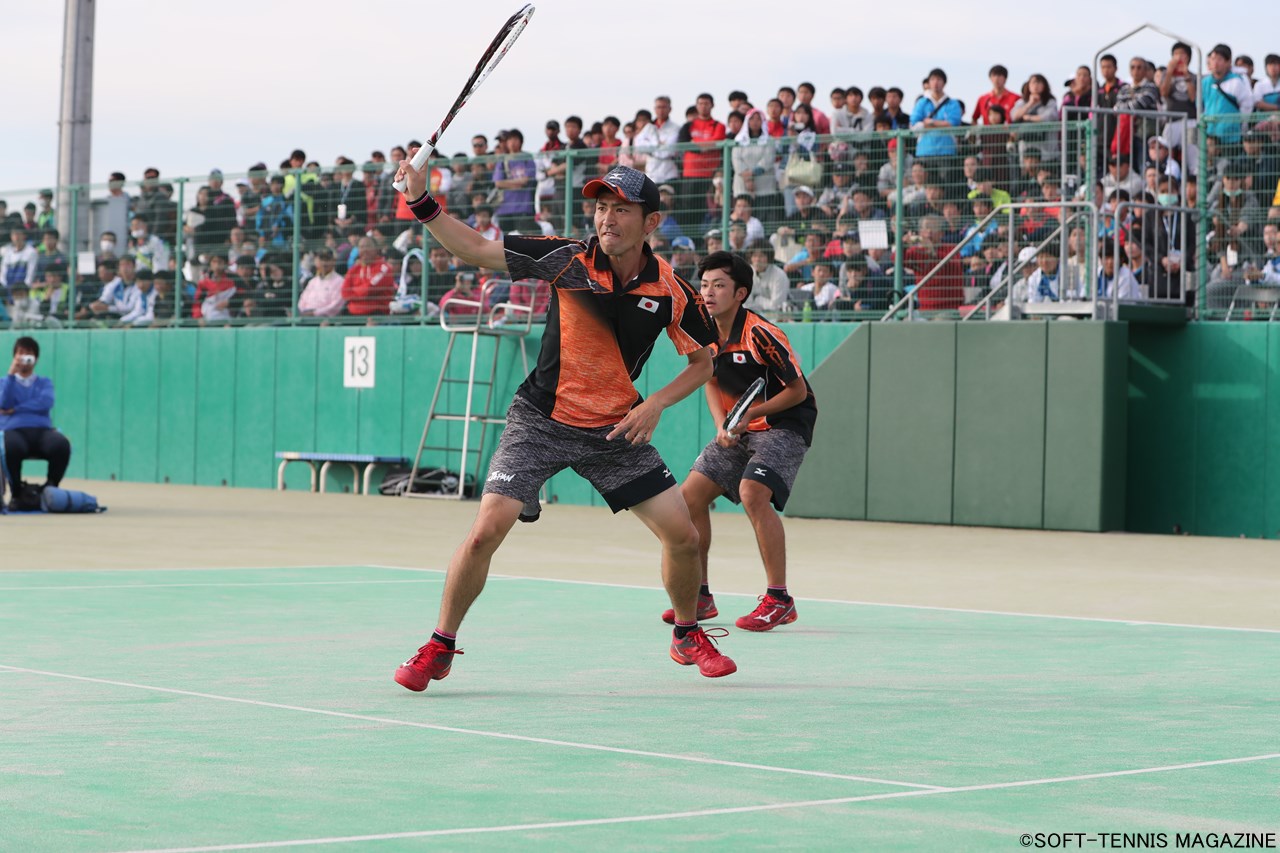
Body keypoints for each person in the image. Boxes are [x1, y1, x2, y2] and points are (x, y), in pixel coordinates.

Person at [392, 158, 736, 688]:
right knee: (485, 531)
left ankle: (687, 633)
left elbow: (703, 363)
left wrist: (656, 404)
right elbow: (477, 249)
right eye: (601, 207)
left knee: (684, 536)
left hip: (616, 431)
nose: (607, 219)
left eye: (622, 209)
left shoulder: (670, 290)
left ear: (650, 223)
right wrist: (422, 202)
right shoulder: (566, 258)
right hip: (541, 421)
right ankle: (440, 645)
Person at [667, 251, 817, 631]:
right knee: (689, 497)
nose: (708, 293)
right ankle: (699, 596)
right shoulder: (702, 332)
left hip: (785, 424)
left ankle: (779, 599)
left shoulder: (761, 333)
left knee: (753, 493)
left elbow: (798, 391)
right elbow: (710, 379)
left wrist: (750, 414)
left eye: (719, 285)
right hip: (739, 426)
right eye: (704, 286)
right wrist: (722, 423)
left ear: (740, 293)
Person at [1, 337, 73, 501]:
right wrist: (11, 375)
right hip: (14, 430)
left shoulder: (44, 382)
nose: (25, 358)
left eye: (29, 354)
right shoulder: (4, 382)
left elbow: (45, 402)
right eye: (20, 354)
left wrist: (17, 408)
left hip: (42, 430)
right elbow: (4, 404)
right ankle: (17, 493)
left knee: (61, 444)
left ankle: (50, 489)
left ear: (36, 359)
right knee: (10, 447)